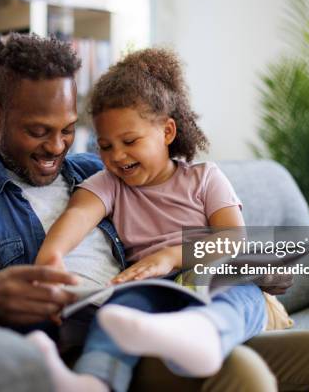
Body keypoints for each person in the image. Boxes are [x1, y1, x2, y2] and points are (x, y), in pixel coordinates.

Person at [0, 33, 309, 392]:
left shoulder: (100, 170)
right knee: (242, 375)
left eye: (67, 129)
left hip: (179, 314)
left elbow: (216, 237)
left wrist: (254, 270)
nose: (56, 148)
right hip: (89, 343)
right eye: (37, 131)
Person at [29, 47, 268, 392]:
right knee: (117, 312)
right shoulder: (110, 185)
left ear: (167, 132)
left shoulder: (205, 179)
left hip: (208, 280)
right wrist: (50, 257)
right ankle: (94, 380)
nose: (117, 156)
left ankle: (206, 334)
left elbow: (232, 238)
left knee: (245, 293)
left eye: (130, 141)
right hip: (151, 290)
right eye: (105, 146)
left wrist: (170, 257)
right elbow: (79, 214)